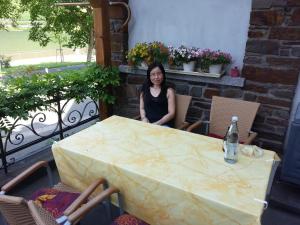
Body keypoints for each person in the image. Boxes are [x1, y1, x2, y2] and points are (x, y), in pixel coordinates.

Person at [140, 62, 176, 127]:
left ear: (163, 74)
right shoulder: (145, 88)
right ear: (149, 76)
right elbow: (142, 108)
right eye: (153, 74)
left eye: (159, 73)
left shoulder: (169, 91)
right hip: (147, 124)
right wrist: (143, 118)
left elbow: (172, 113)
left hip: (164, 125)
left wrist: (157, 124)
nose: (156, 77)